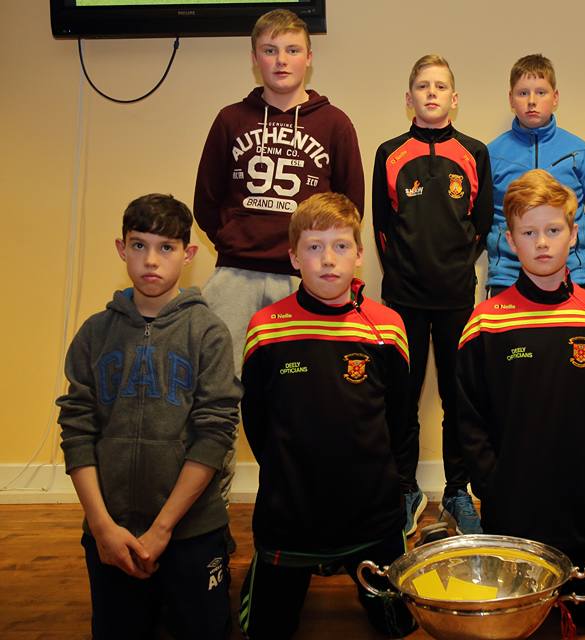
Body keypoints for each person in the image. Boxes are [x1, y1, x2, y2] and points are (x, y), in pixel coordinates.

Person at [193, 8, 364, 512]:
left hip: (305, 284)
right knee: (217, 401)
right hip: (236, 278)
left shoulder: (334, 123)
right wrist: (233, 237)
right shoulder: (231, 120)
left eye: (291, 50)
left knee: (309, 401)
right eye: (270, 50)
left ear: (308, 59)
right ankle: (209, 519)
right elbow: (206, 199)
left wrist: (326, 267)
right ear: (255, 60)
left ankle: (311, 508)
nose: (281, 60)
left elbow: (350, 206)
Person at [57, 194, 241, 640]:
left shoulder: (208, 333)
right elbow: (77, 428)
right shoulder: (94, 333)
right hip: (111, 532)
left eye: (166, 248)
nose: (151, 261)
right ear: (121, 249)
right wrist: (101, 527)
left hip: (192, 531)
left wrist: (162, 530)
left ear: (188, 254)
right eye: (138, 246)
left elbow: (214, 434)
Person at [457, 169, 585, 628]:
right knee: (523, 619)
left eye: (553, 230)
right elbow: (468, 413)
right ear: (510, 241)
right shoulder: (487, 322)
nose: (542, 242)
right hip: (513, 496)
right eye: (528, 232)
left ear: (573, 234)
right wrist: (490, 479)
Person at [238, 193, 416, 639]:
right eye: (314, 247)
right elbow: (257, 420)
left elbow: (400, 418)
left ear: (359, 256)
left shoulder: (387, 325)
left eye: (340, 246)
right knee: (263, 629)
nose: (328, 259)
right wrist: (285, 472)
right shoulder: (267, 326)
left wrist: (390, 484)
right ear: (295, 257)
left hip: (372, 514)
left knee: (400, 625)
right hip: (290, 513)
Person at [372, 54, 493, 537]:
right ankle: (406, 488)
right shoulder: (389, 152)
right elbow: (382, 226)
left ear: (454, 99)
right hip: (402, 298)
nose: (431, 93)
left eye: (440, 86)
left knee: (456, 398)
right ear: (409, 98)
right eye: (422, 86)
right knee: (401, 398)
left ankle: (458, 491)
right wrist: (404, 274)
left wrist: (457, 266)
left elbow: (481, 223)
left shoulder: (474, 151)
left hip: (455, 298)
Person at [486, 54, 585, 296]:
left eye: (541, 92)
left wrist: (570, 243)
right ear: (511, 99)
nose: (532, 101)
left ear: (555, 98)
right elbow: (480, 220)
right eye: (523, 93)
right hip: (507, 279)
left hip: (572, 276)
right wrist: (502, 244)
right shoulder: (491, 155)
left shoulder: (579, 152)